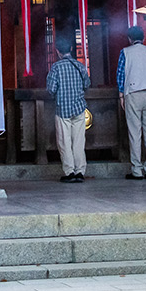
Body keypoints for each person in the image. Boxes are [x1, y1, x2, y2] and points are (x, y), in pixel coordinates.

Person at [117, 26, 146, 180]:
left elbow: (120, 76)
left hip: (132, 93)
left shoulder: (125, 52)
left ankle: (137, 170)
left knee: (134, 133)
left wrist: (121, 96)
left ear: (129, 39)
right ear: (144, 37)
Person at [46, 35, 90, 183]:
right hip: (79, 108)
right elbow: (87, 84)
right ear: (71, 49)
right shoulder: (80, 66)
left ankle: (69, 171)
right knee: (78, 141)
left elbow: (51, 89)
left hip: (62, 108)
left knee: (64, 142)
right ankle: (80, 171)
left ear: (58, 51)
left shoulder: (56, 67)